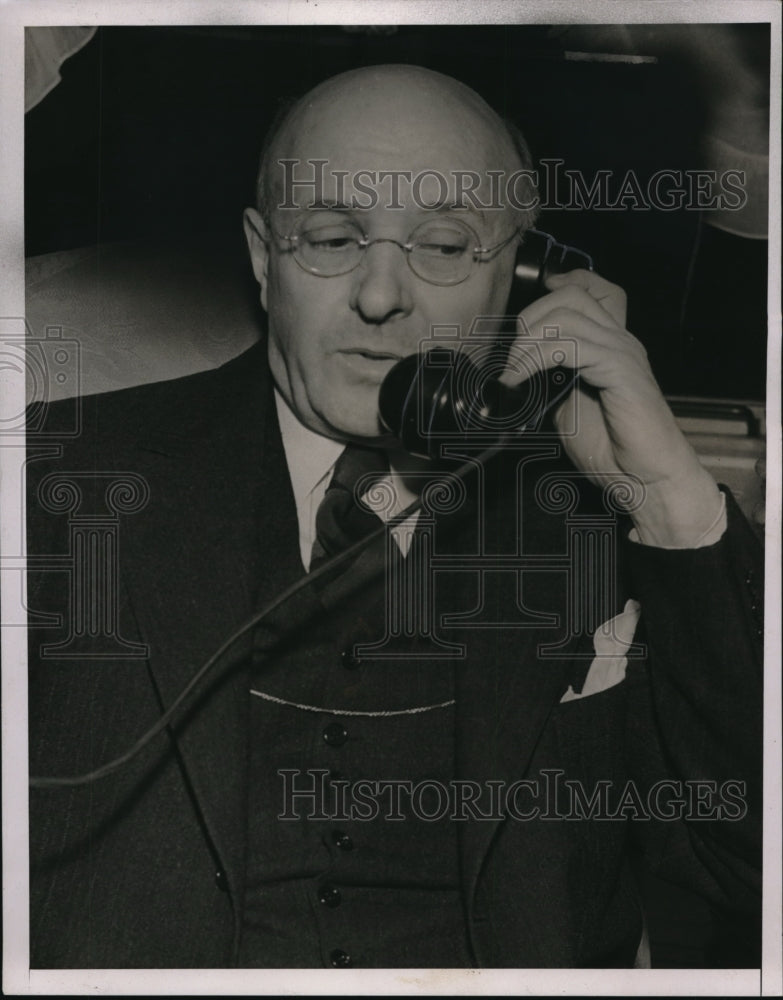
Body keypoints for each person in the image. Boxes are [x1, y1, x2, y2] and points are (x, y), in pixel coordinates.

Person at [26, 64, 763, 969]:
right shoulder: (55, 473)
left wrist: (672, 505)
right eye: (331, 238)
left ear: (527, 279)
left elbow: (747, 868)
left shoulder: (596, 522)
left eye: (445, 248)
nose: (379, 298)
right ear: (264, 260)